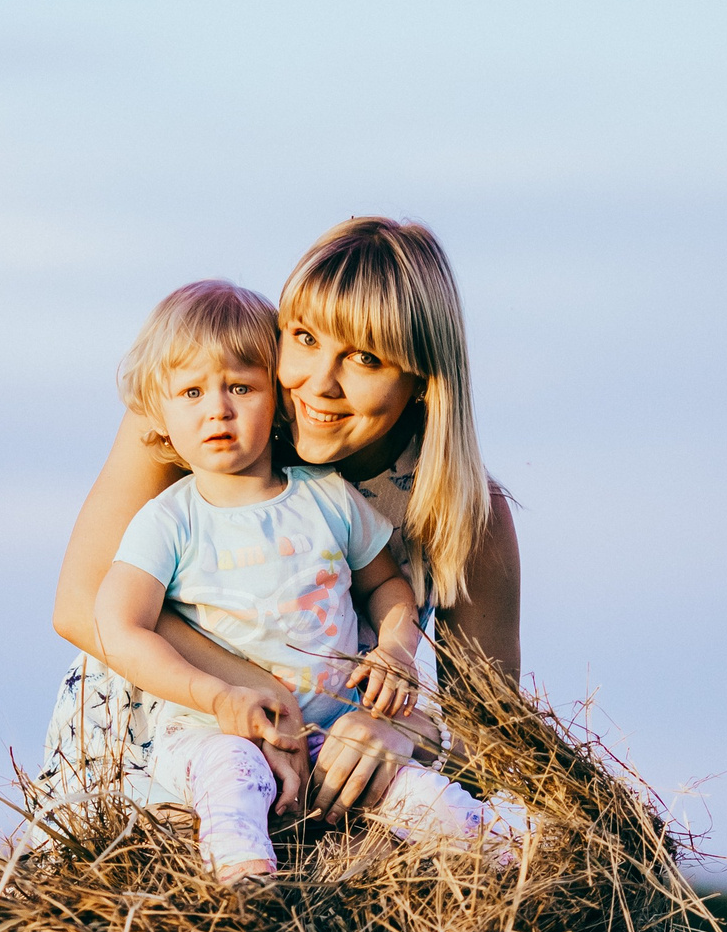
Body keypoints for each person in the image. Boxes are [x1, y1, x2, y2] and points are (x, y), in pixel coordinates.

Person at [40, 216, 520, 822]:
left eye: (365, 359)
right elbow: (81, 605)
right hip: (152, 760)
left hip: (326, 794)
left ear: (423, 379)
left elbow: (496, 737)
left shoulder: (464, 510)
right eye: (304, 338)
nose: (319, 384)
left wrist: (404, 733)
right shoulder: (205, 411)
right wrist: (263, 696)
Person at [88, 280, 492, 878]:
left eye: (241, 388)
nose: (217, 409)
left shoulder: (326, 498)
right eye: (193, 393)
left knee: (415, 793)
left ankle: (520, 850)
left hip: (331, 737)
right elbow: (116, 623)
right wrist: (223, 696)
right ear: (162, 414)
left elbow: (385, 586)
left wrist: (396, 649)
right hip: (211, 732)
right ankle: (247, 886)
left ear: (273, 396)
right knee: (233, 778)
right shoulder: (169, 518)